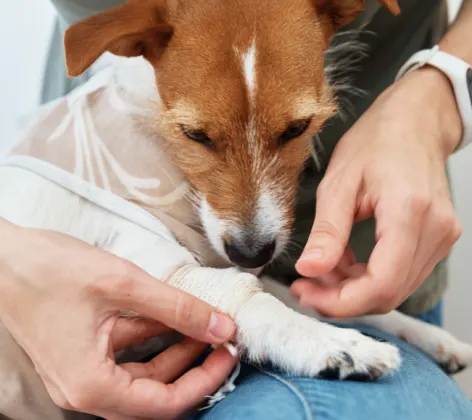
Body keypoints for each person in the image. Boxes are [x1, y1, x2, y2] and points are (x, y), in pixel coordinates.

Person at [0, 0, 471, 419]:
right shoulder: (104, 162)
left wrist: (442, 91)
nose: (252, 225)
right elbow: (189, 279)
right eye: (199, 135)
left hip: (366, 264)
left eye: (293, 127)